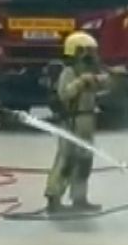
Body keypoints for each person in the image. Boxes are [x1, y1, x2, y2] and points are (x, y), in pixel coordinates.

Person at [43, 31, 114, 214]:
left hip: (87, 120)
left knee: (84, 161)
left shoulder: (91, 71)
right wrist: (81, 82)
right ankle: (54, 197)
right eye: (88, 51)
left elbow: (104, 86)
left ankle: (79, 198)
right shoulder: (69, 72)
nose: (92, 56)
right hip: (72, 120)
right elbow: (65, 94)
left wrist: (114, 78)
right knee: (66, 159)